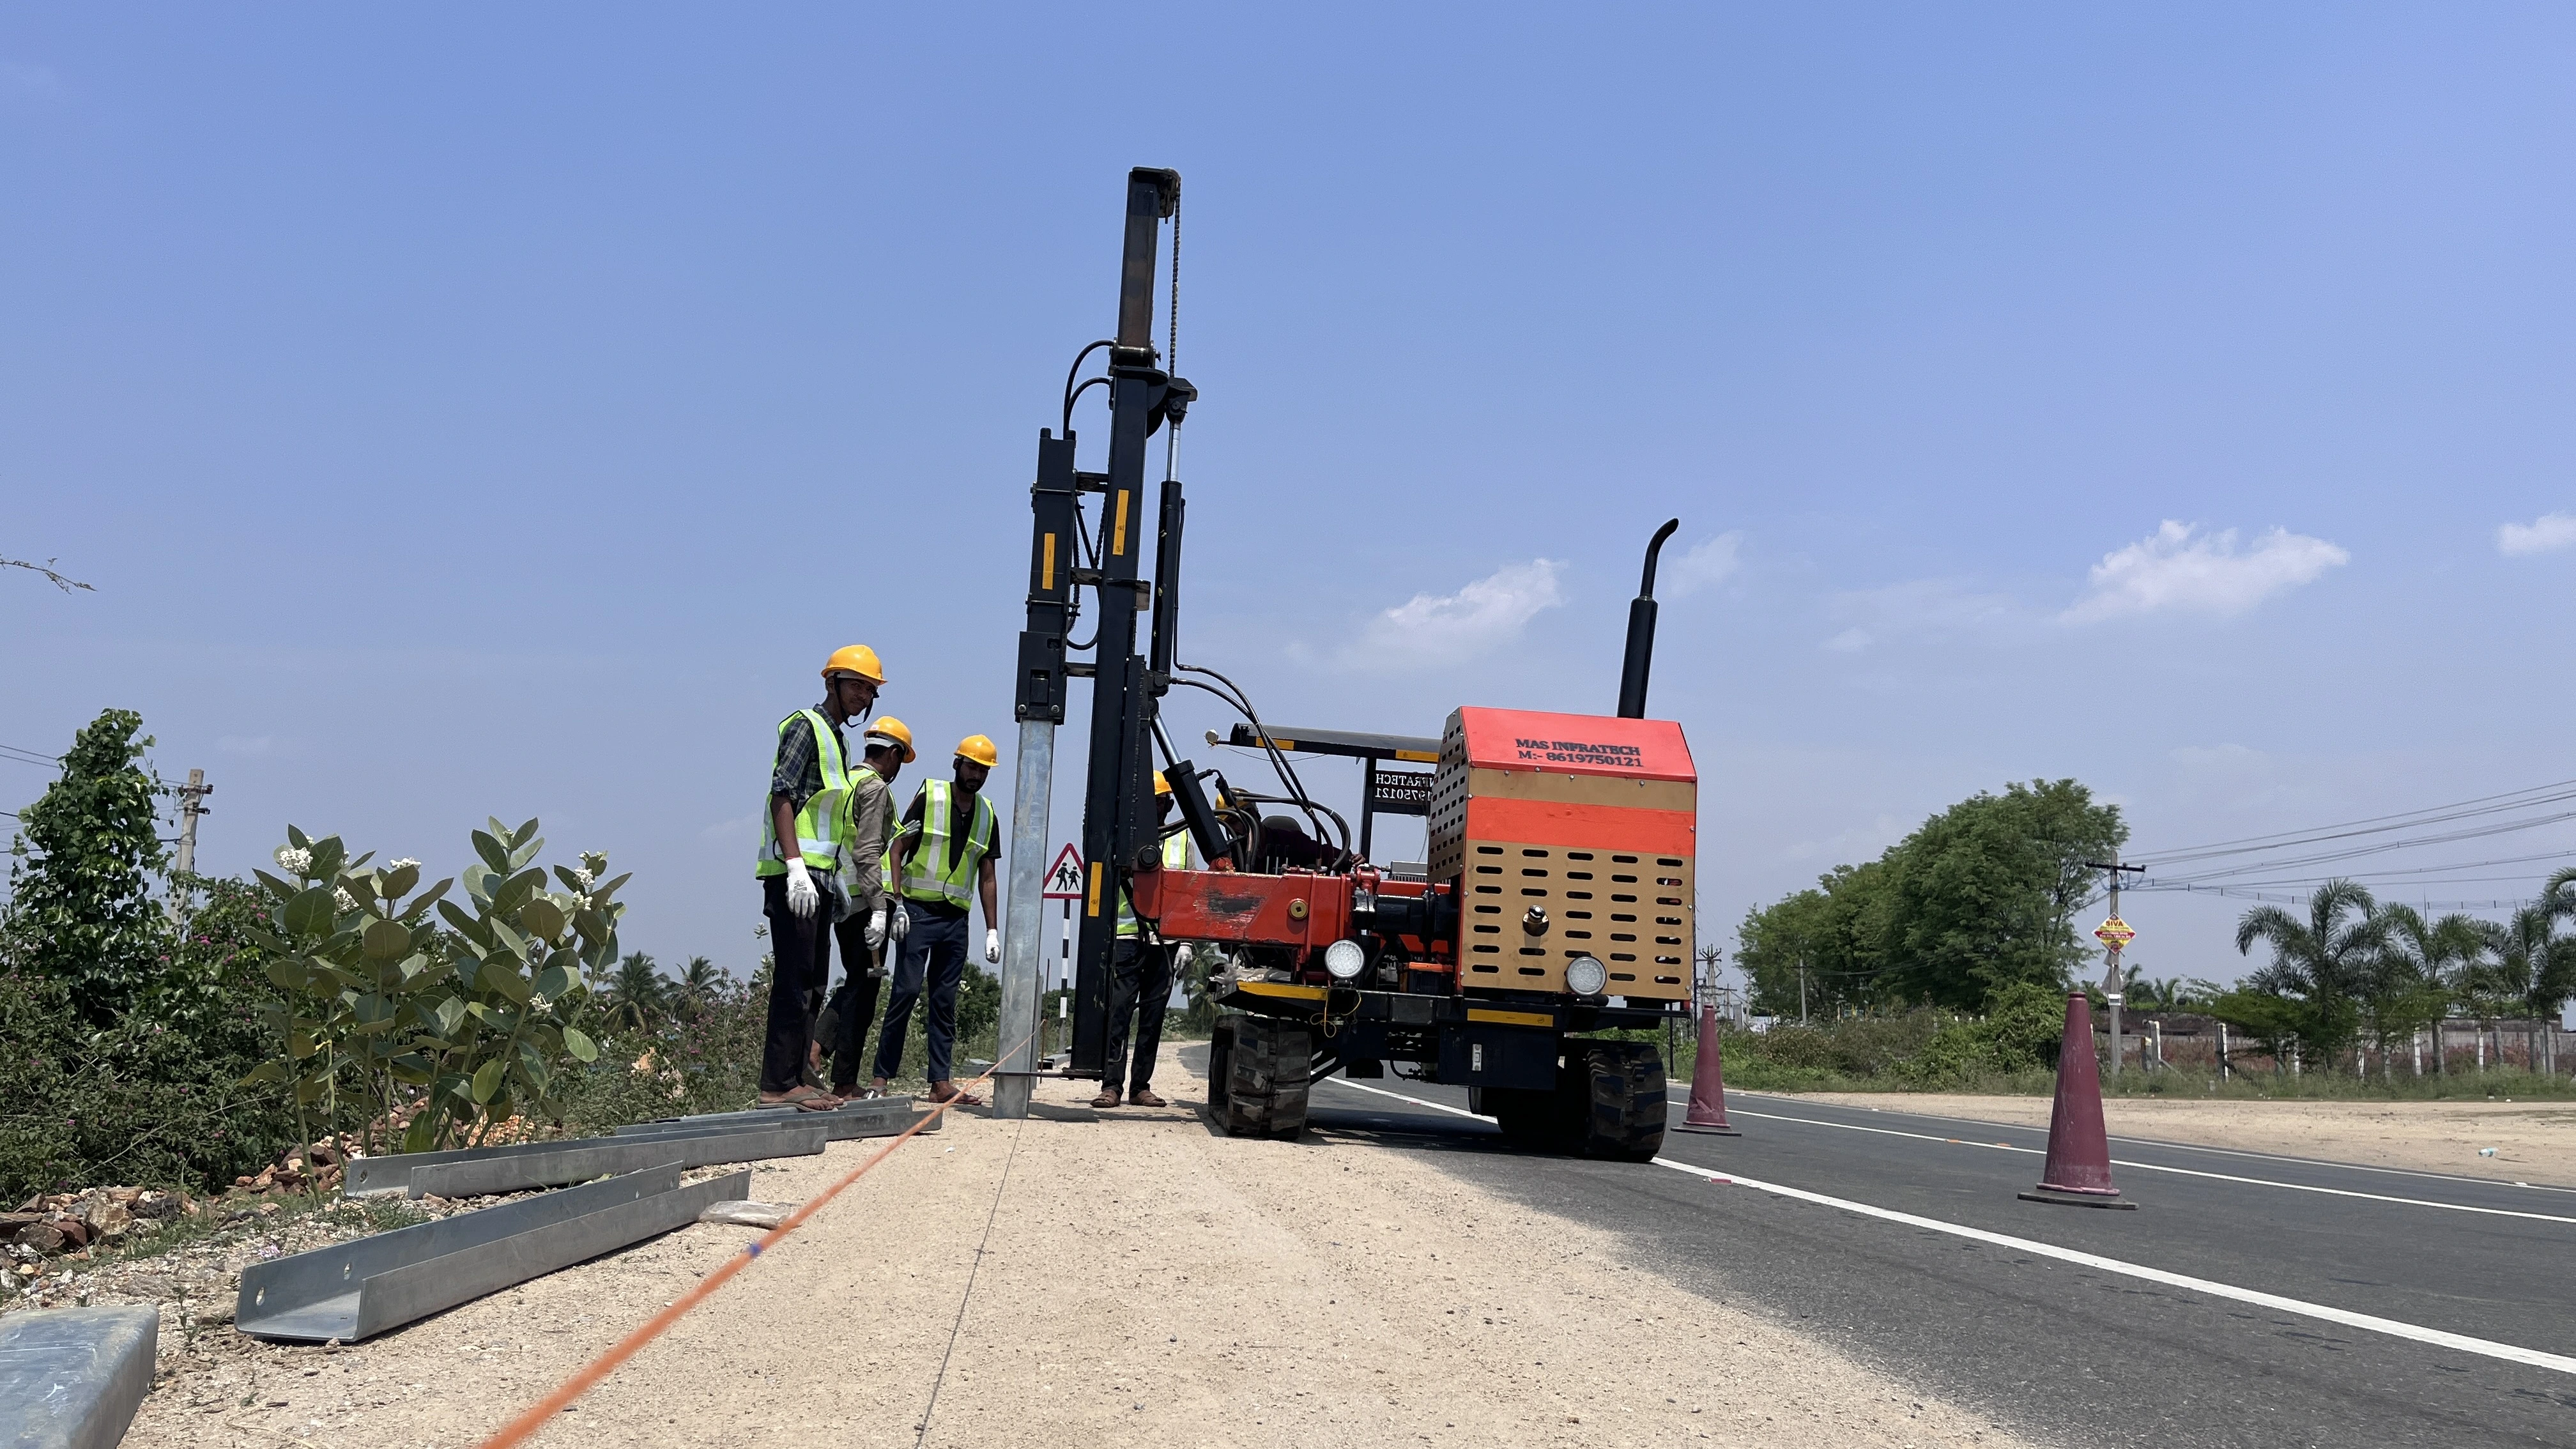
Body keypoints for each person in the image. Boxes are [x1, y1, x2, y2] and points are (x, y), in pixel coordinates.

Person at [756, 645, 885, 1110]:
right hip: (796, 874)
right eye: (855, 684)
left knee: (813, 982)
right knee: (794, 979)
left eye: (869, 689)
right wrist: (794, 868)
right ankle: (777, 1084)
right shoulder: (805, 728)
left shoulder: (836, 738)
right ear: (831, 682)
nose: (862, 694)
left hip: (821, 878)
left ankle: (799, 1077)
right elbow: (781, 794)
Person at [871, 733, 1002, 1105]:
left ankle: (940, 1082)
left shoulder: (988, 815)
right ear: (957, 764)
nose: (976, 775)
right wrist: (895, 902)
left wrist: (992, 930)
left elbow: (987, 876)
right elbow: (897, 849)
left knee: (944, 1001)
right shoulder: (931, 796)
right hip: (917, 912)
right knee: (906, 992)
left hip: (956, 921)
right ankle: (882, 1078)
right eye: (972, 766)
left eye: (983, 770)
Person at [818, 717, 915, 1097]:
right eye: (901, 760)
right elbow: (868, 850)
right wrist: (880, 908)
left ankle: (818, 1050)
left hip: (842, 900)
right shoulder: (874, 788)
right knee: (864, 991)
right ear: (892, 754)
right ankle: (843, 1081)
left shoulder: (845, 781)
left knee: (855, 981)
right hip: (867, 902)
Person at [1096, 772, 1194, 1109]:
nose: (1156, 808)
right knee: (1119, 1013)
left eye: (1160, 801)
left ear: (1168, 804)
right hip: (1127, 938)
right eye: (1149, 802)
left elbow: (1190, 894)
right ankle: (1111, 1086)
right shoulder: (1125, 837)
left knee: (1152, 1017)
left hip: (1165, 943)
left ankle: (1141, 1086)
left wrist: (1187, 943)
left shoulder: (1182, 840)